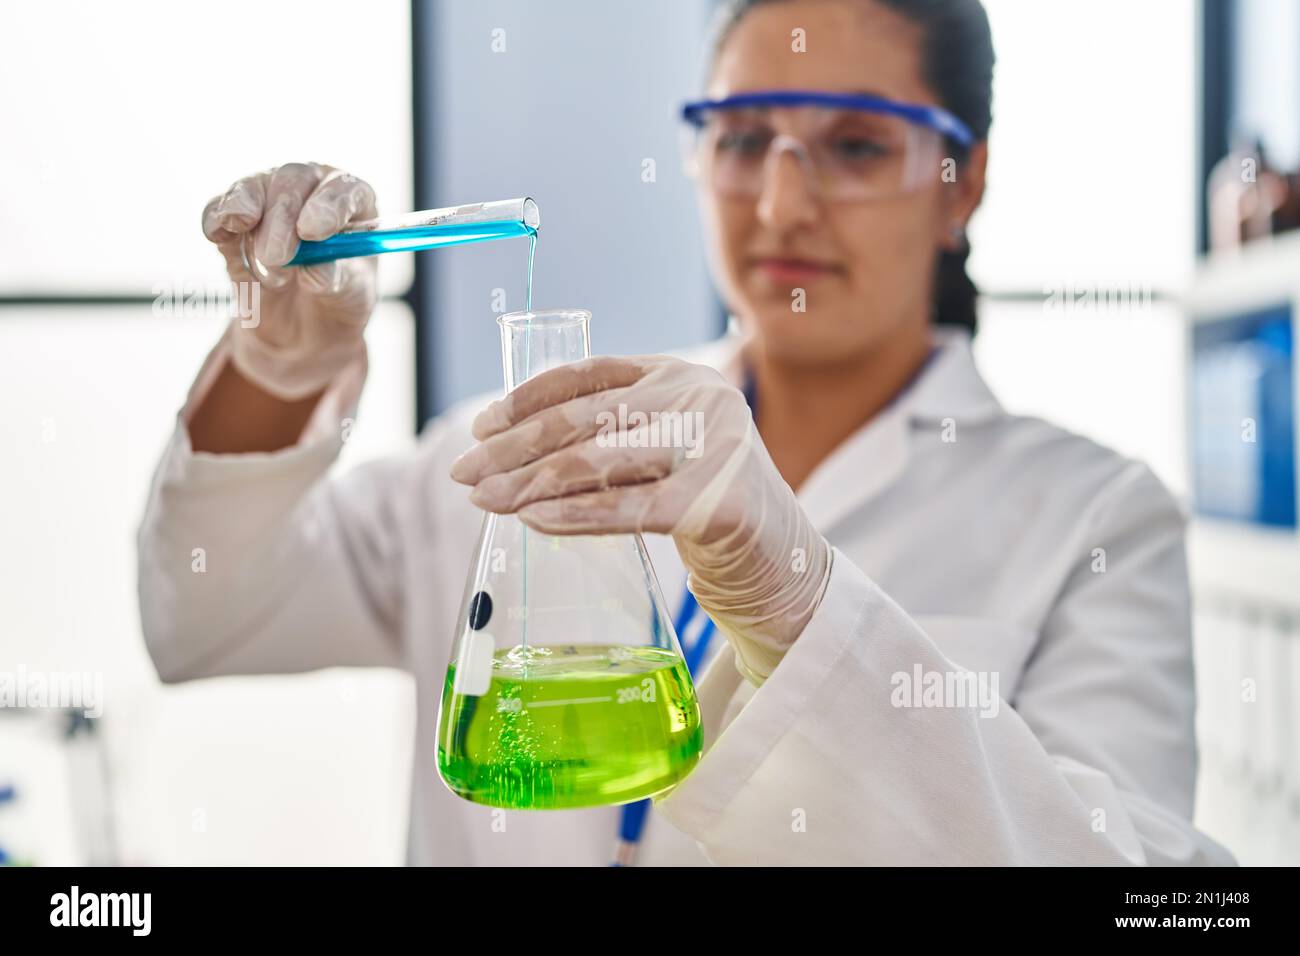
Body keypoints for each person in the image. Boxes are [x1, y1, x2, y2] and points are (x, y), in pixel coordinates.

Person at [138, 0, 1233, 865]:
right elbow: (201, 620)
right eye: (745, 138)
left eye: (855, 146)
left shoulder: (1095, 518)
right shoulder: (517, 446)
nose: (781, 204)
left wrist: (796, 598)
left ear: (961, 185)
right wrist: (279, 362)